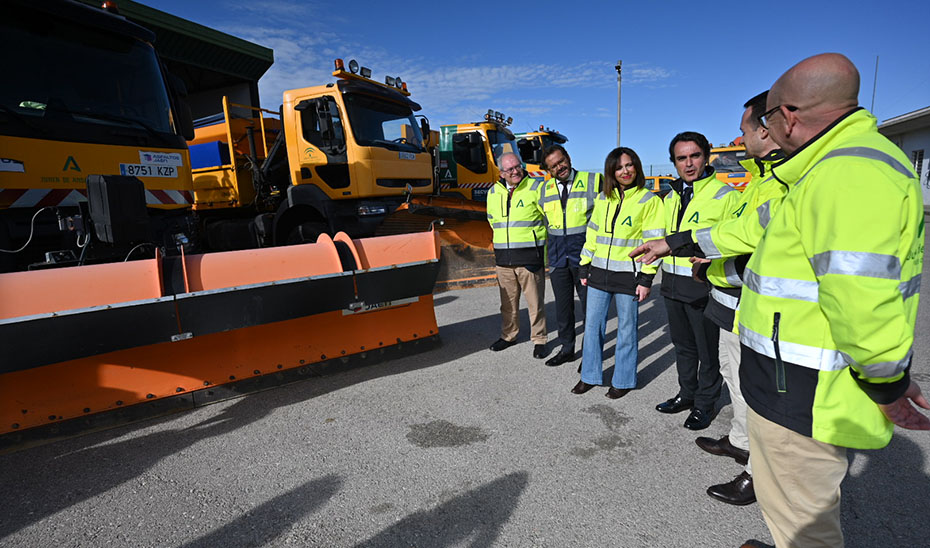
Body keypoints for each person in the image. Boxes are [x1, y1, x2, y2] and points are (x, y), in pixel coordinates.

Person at [736, 53, 927, 547]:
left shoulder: (848, 175)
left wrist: (887, 384)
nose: (767, 130)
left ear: (790, 115)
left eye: (768, 119)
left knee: (805, 524)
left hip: (802, 392)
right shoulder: (828, 170)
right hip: (795, 382)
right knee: (792, 506)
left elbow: (861, 300)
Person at [687, 92, 786, 506]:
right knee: (734, 377)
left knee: (759, 394)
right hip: (730, 301)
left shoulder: (781, 181)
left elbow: (753, 247)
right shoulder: (758, 179)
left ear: (766, 129)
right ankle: (740, 442)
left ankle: (756, 474)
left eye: (744, 129)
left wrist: (694, 254)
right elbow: (736, 236)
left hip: (759, 311)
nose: (738, 136)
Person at [654, 132, 740, 430]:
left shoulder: (726, 196)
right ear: (674, 163)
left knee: (707, 352)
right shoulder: (669, 197)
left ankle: (705, 404)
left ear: (706, 157)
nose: (689, 164)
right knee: (683, 347)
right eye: (681, 158)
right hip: (672, 285)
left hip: (702, 287)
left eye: (694, 156)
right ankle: (686, 394)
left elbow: (734, 241)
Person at [571, 147, 664, 397]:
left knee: (626, 330)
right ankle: (589, 376)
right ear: (611, 171)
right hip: (599, 274)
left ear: (637, 167)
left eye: (629, 165)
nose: (625, 171)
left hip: (629, 277)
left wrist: (646, 278)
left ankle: (622, 380)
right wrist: (584, 264)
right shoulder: (603, 198)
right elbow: (592, 235)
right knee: (592, 327)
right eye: (619, 167)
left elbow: (654, 243)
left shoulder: (649, 200)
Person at [538, 145, 601, 366]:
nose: (559, 167)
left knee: (591, 310)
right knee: (563, 309)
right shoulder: (544, 190)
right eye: (553, 166)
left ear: (569, 158)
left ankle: (591, 353)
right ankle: (567, 349)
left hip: (585, 259)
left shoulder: (594, 181)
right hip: (558, 259)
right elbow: (545, 223)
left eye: (561, 161)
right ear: (548, 170)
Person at [486, 152, 548, 359]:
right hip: (504, 260)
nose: (515, 171)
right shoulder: (493, 192)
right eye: (510, 169)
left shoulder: (536, 188)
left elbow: (548, 219)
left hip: (530, 258)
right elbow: (492, 221)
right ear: (501, 173)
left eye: (517, 166)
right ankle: (508, 336)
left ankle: (539, 339)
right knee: (507, 303)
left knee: (535, 303)